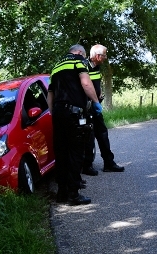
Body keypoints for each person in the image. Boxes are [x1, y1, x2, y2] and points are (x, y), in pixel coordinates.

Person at [47, 44, 103, 205]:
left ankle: (62, 193)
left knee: (61, 152)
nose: (85, 58)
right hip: (74, 114)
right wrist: (95, 102)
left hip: (58, 113)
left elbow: (50, 94)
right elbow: (86, 83)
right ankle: (73, 194)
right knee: (76, 152)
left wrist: (54, 113)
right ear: (79, 52)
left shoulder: (56, 67)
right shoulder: (79, 61)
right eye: (84, 55)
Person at [82, 44, 125, 174]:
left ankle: (109, 163)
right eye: (105, 55)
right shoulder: (84, 67)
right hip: (86, 108)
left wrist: (99, 94)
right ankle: (87, 166)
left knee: (103, 135)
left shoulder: (97, 66)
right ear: (98, 56)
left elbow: (95, 83)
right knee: (89, 137)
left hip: (95, 106)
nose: (106, 58)